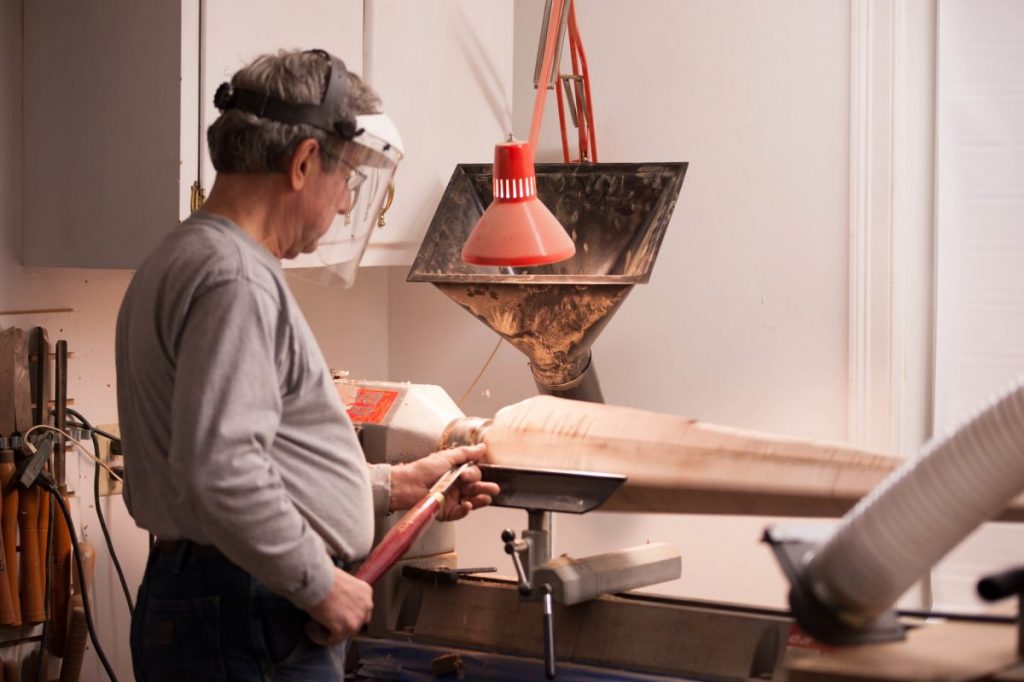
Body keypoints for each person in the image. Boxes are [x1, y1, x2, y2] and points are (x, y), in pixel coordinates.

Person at [115, 49, 499, 681]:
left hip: (220, 596)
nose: (348, 204)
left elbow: (252, 464)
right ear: (302, 163)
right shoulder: (234, 278)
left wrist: (398, 486)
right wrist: (319, 582)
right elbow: (223, 471)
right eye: (347, 177)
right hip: (251, 608)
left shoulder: (184, 255)